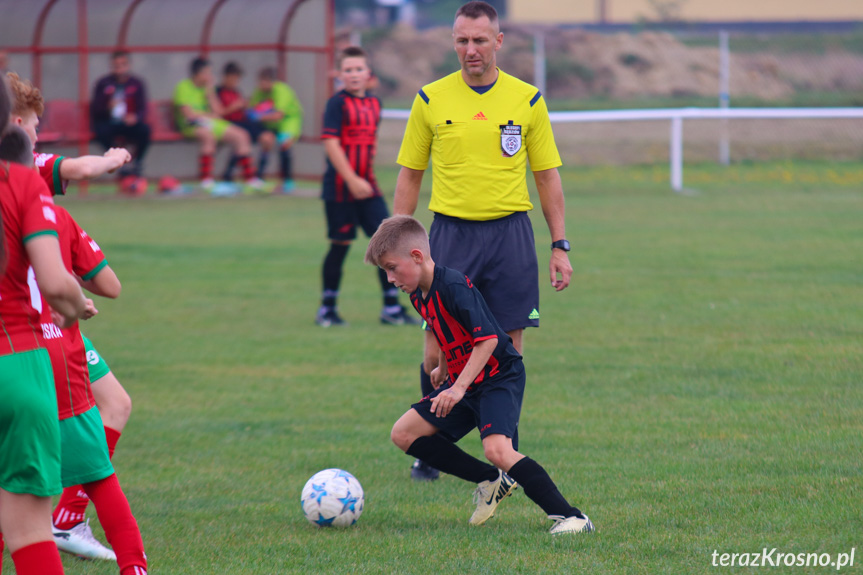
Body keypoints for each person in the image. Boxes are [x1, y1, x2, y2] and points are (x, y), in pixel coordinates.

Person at [393, 1, 573, 481]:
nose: (470, 50)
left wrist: (560, 244)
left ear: (498, 41)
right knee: (438, 350)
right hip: (450, 233)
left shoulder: (527, 100)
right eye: (461, 40)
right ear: (453, 42)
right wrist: (395, 239)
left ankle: (505, 450)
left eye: (479, 40)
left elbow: (547, 176)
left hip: (511, 235)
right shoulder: (430, 99)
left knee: (507, 348)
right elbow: (411, 174)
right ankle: (427, 446)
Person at [365, 215, 593, 535]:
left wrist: (457, 388)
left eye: (391, 267)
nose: (390, 278)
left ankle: (573, 517)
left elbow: (486, 339)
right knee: (404, 433)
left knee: (498, 450)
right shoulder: (418, 293)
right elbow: (446, 329)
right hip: (464, 380)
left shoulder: (454, 285)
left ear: (416, 257)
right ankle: (490, 480)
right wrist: (444, 368)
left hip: (499, 376)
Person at [0, 75, 90, 574]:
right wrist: (77, 307)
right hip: (19, 365)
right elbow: (56, 284)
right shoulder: (22, 182)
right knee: (29, 534)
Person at [316, 47, 418, 328]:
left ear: (368, 73)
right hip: (340, 188)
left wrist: (363, 180)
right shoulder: (336, 104)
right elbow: (331, 143)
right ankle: (327, 309)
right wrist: (351, 179)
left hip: (368, 187)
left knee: (387, 244)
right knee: (340, 246)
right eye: (347, 70)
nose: (353, 75)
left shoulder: (375, 104)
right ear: (339, 75)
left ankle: (391, 308)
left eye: (358, 69)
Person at [7, 72, 132, 196]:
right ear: (18, 125)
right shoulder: (23, 161)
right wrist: (113, 160)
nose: (36, 136)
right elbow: (83, 169)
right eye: (35, 128)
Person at [173, 57, 268, 195]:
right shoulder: (183, 87)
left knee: (242, 135)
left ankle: (250, 180)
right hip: (190, 125)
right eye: (207, 72)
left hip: (209, 122)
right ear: (197, 73)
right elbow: (189, 114)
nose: (210, 76)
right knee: (208, 135)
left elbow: (217, 112)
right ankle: (206, 181)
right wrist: (208, 116)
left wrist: (210, 92)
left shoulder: (207, 88)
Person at [90, 50, 151, 195]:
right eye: (116, 65)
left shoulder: (137, 83)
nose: (119, 69)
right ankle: (118, 162)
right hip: (109, 123)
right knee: (100, 131)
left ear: (128, 65)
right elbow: (95, 110)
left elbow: (143, 108)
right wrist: (107, 106)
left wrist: (135, 117)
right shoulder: (103, 83)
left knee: (145, 130)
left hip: (129, 123)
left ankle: (137, 163)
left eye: (123, 65)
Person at [216, 61, 275, 182]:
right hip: (229, 124)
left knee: (268, 138)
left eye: (237, 79)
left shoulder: (237, 92)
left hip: (244, 121)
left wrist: (248, 107)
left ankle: (259, 175)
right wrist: (234, 106)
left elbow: (244, 110)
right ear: (225, 77)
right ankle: (240, 176)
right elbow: (218, 113)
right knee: (242, 138)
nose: (235, 82)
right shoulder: (217, 91)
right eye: (233, 78)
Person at [249, 66, 303, 194]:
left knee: (284, 143)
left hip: (289, 120)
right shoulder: (259, 91)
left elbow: (279, 115)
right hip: (271, 124)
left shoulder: (281, 90)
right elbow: (251, 109)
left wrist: (259, 116)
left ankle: (288, 181)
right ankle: (258, 179)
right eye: (260, 81)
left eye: (265, 82)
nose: (261, 85)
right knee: (266, 142)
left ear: (272, 81)